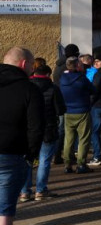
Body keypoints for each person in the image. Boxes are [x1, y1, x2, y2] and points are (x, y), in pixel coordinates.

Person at [0, 47, 44, 225]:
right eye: (31, 65)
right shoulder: (29, 89)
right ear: (23, 63)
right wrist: (31, 156)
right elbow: (36, 128)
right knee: (4, 211)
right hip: (11, 154)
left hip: (11, 154)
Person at [20, 64, 63, 201]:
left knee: (28, 160)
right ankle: (40, 190)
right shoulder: (53, 88)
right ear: (48, 74)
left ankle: (24, 192)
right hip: (48, 128)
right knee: (44, 160)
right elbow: (60, 109)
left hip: (29, 129)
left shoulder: (26, 87)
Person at [59, 57, 94, 173]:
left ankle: (67, 164)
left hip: (68, 111)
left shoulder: (62, 78)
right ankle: (81, 164)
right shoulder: (82, 79)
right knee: (83, 138)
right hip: (82, 110)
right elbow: (93, 90)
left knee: (68, 139)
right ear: (77, 65)